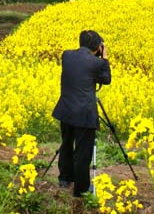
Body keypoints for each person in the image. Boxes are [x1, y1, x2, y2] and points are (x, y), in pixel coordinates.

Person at [52, 30, 111, 197]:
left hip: (66, 110)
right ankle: (81, 189)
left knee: (66, 144)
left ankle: (65, 178)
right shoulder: (97, 64)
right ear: (98, 47)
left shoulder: (67, 56)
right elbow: (106, 79)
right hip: (84, 114)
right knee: (83, 152)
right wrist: (104, 58)